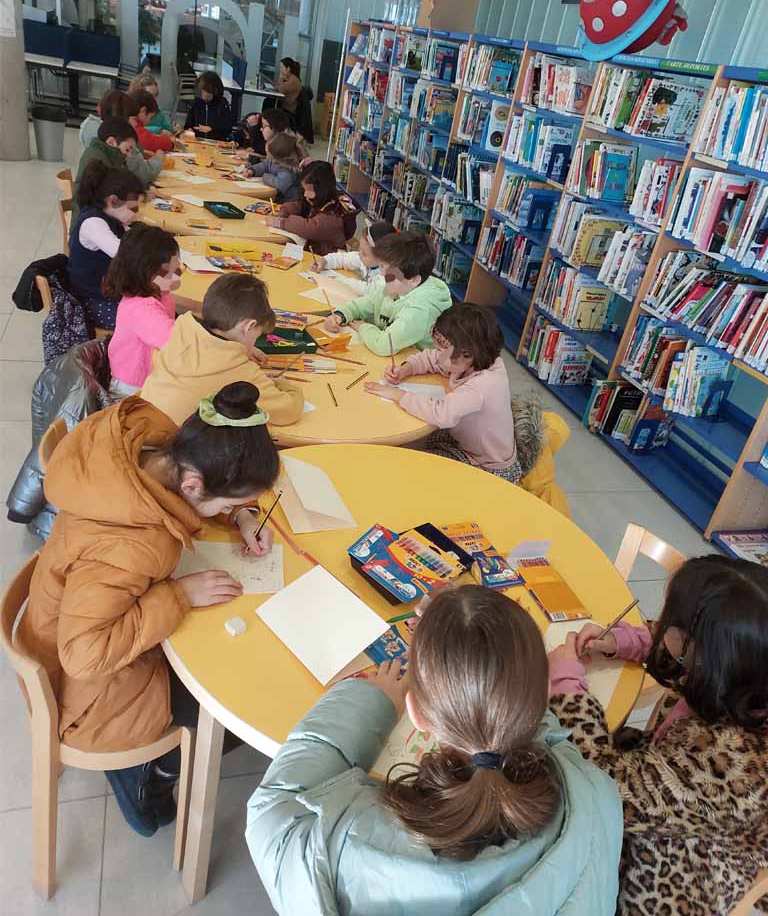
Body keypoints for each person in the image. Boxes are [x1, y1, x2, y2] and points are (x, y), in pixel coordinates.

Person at [246, 584, 623, 915]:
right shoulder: (598, 792)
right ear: (541, 698)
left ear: (416, 713)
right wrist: (487, 659)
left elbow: (272, 812)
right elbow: (532, 726)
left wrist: (368, 700)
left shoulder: (348, 849)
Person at [16, 382, 280, 836]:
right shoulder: (130, 545)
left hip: (68, 625)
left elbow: (193, 494)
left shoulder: (149, 446)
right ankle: (150, 773)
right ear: (194, 484)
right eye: (230, 501)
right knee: (238, 705)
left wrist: (240, 515)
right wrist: (178, 596)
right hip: (88, 693)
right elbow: (84, 654)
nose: (233, 508)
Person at [548, 554, 768, 916]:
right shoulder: (743, 672)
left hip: (676, 876)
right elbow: (667, 639)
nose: (664, 626)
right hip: (666, 795)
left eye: (673, 622)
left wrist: (565, 685)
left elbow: (606, 788)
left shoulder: (730, 766)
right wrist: (618, 640)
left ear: (706, 654)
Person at [367, 303, 521, 483]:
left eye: (442, 350)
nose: (438, 355)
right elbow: (432, 359)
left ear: (466, 355)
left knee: (410, 471)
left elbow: (441, 414)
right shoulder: (474, 360)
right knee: (404, 447)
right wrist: (406, 369)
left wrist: (398, 395)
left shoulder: (482, 385)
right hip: (465, 442)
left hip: (487, 468)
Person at [141, 272, 304, 427]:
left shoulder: (180, 333)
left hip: (141, 425)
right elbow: (288, 411)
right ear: (249, 326)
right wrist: (285, 385)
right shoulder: (241, 372)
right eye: (257, 335)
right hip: (179, 443)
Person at [323, 231, 452, 355]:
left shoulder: (421, 311)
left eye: (391, 273)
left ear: (414, 280)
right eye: (382, 267)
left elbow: (384, 346)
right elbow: (366, 303)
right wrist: (341, 314)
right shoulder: (397, 285)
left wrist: (363, 327)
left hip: (417, 365)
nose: (382, 274)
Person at [105, 224, 180, 399]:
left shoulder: (159, 293)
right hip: (133, 389)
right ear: (144, 273)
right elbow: (176, 343)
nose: (176, 278)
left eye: (177, 269)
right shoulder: (143, 309)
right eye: (169, 273)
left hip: (148, 377)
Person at [68, 160, 144, 329]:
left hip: (106, 294)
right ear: (113, 200)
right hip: (90, 302)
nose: (136, 213)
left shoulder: (110, 216)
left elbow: (131, 240)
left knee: (156, 311)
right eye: (133, 208)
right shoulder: (93, 223)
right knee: (145, 323)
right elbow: (126, 255)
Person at [270, 161, 359, 254]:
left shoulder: (332, 214)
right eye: (304, 189)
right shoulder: (318, 199)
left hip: (327, 256)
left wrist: (281, 222)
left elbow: (308, 227)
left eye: (309, 190)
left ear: (322, 189)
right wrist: (284, 210)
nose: (305, 194)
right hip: (314, 250)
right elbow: (300, 206)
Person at [79, 91, 163, 187]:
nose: (136, 123)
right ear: (123, 118)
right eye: (133, 119)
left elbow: (123, 181)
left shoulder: (108, 142)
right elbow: (141, 175)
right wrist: (159, 160)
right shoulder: (117, 145)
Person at [74, 116, 139, 220]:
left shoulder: (106, 154)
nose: (130, 155)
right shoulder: (98, 161)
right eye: (128, 149)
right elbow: (115, 193)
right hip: (91, 220)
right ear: (111, 142)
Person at [310, 219, 393, 290]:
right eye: (360, 249)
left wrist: (338, 279)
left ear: (383, 259)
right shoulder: (367, 260)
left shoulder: (386, 277)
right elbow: (343, 258)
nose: (359, 254)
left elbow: (366, 289)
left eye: (364, 253)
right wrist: (324, 261)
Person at [239, 107, 307, 167]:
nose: (261, 129)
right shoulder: (274, 141)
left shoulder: (284, 145)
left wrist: (249, 156)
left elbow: (271, 164)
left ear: (275, 127)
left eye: (264, 126)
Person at [245, 132, 302, 203]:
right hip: (276, 197)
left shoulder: (288, 170)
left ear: (277, 159)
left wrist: (265, 176)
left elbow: (280, 185)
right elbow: (264, 165)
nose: (268, 157)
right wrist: (253, 170)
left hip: (287, 202)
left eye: (270, 156)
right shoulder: (273, 161)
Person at [127, 67, 178, 135]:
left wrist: (176, 129)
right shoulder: (129, 113)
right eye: (150, 96)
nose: (154, 99)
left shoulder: (157, 113)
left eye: (156, 95)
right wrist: (158, 130)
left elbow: (169, 128)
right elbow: (133, 129)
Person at [183, 70, 232, 140]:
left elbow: (227, 129)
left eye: (204, 90)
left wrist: (212, 129)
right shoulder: (196, 103)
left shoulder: (222, 104)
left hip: (216, 142)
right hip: (197, 141)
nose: (202, 92)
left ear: (213, 90)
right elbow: (188, 124)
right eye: (201, 89)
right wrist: (189, 130)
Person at [128, 89, 175, 154]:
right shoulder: (133, 123)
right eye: (151, 118)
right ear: (143, 111)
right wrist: (171, 143)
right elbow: (149, 141)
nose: (149, 121)